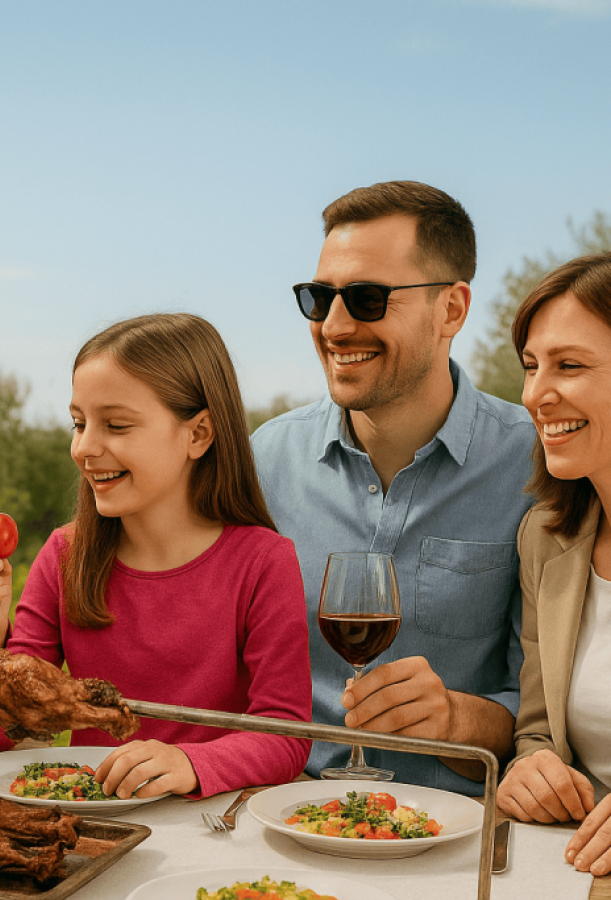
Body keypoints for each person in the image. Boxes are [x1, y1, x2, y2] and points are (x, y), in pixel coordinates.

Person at [250, 180, 537, 793]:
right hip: (282, 825)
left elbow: (547, 713)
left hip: (456, 845)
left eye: (367, 298)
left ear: (452, 310)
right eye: (319, 297)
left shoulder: (534, 465)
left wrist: (456, 718)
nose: (334, 325)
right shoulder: (263, 462)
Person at [0, 313, 311, 799]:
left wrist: (190, 762)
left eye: (116, 425)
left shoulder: (263, 562)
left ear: (198, 434)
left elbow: (287, 735)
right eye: (78, 423)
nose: (84, 447)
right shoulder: (65, 555)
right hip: (90, 823)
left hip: (211, 825)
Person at [496, 252, 611, 878]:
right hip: (572, 871)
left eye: (569, 365)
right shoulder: (546, 536)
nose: (536, 394)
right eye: (532, 367)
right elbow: (539, 730)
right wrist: (529, 769)